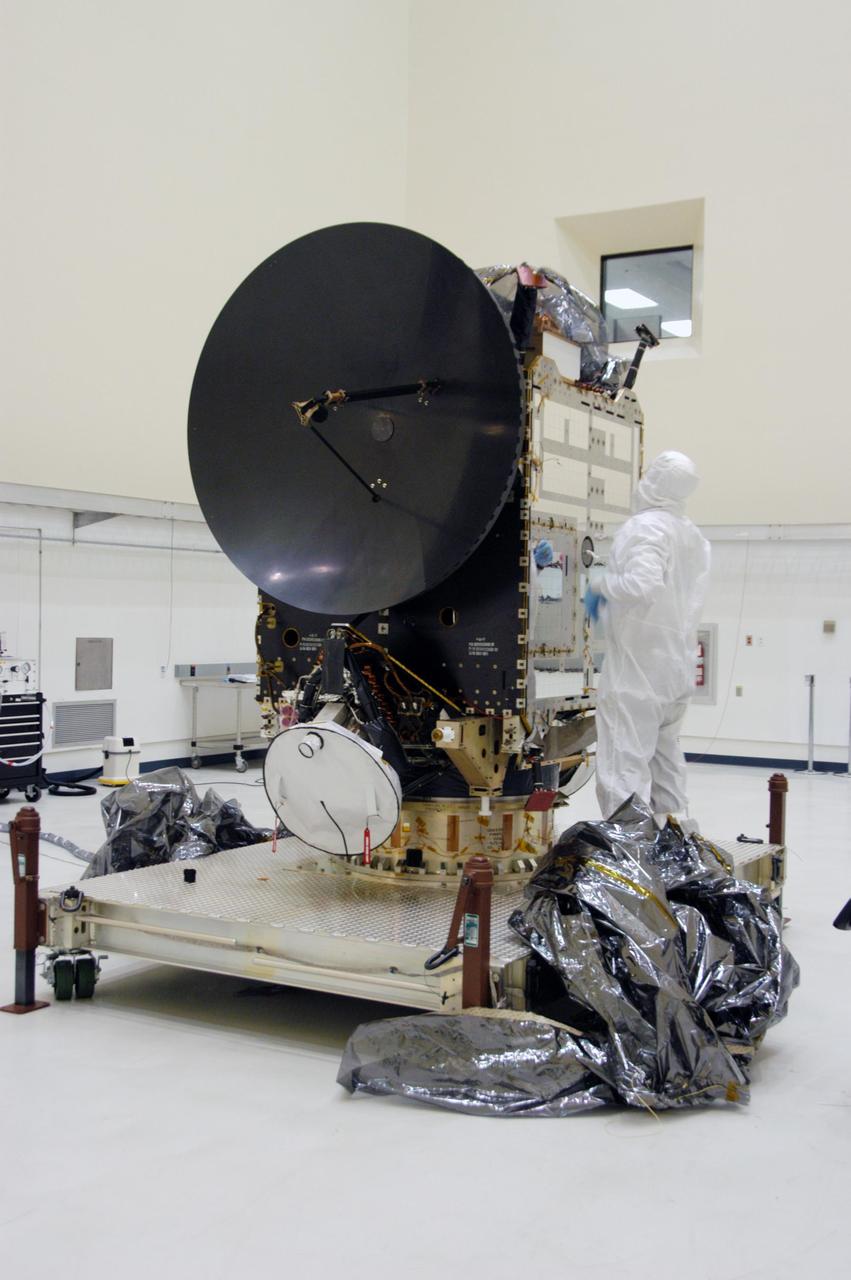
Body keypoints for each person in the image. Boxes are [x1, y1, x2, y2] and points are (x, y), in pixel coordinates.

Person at [584, 451, 711, 825]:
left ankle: (627, 842)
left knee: (623, 757)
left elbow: (643, 584)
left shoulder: (646, 528)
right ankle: (675, 832)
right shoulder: (692, 535)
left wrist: (600, 585)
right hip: (676, 666)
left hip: (639, 668)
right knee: (665, 754)